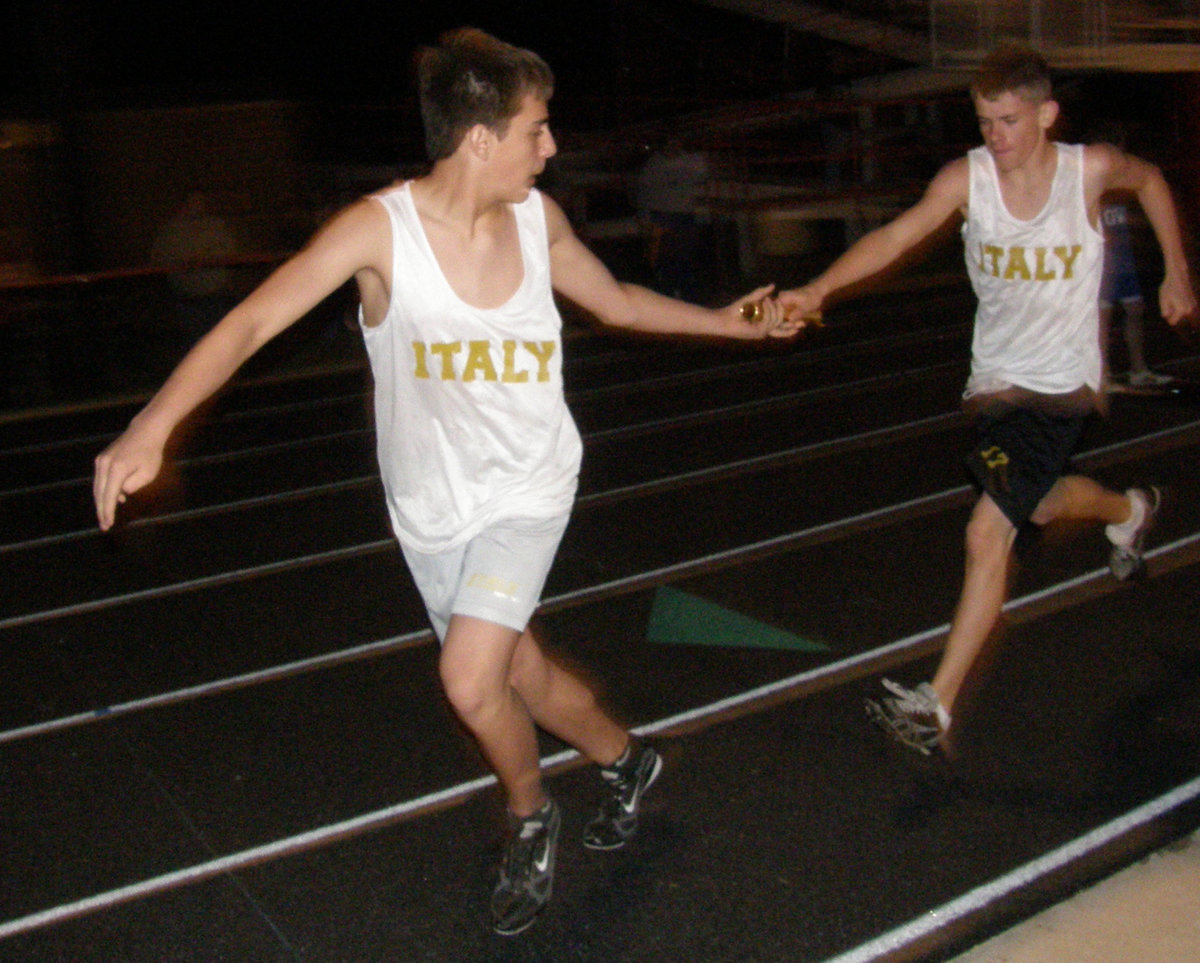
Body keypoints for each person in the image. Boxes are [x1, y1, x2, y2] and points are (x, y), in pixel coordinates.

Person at [93, 28, 797, 936]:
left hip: (529, 489)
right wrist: (155, 422)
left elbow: (616, 300)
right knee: (525, 676)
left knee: (470, 680)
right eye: (536, 129)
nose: (550, 147)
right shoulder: (378, 233)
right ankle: (628, 760)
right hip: (431, 512)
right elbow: (251, 322)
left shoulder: (539, 223)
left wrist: (729, 325)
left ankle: (530, 815)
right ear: (479, 139)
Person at [778, 46, 1196, 756]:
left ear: (1046, 115)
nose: (995, 136)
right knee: (1036, 504)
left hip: (1063, 387)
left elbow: (1151, 180)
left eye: (1008, 120)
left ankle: (935, 703)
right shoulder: (966, 179)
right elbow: (897, 234)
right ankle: (1130, 509)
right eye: (984, 121)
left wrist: (1177, 273)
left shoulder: (1086, 171)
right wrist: (819, 289)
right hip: (995, 385)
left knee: (988, 529)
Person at [1100, 195, 1171, 387]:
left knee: (1135, 311)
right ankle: (1103, 376)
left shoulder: (1122, 198)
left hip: (1125, 265)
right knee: (1101, 321)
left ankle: (1139, 371)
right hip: (1102, 269)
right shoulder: (1094, 195)